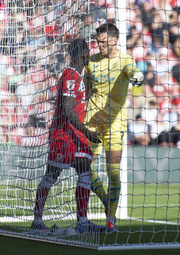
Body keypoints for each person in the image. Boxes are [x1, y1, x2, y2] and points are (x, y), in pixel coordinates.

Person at [31, 38, 104, 235]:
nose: (89, 54)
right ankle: (37, 220)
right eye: (88, 52)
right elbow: (68, 109)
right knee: (51, 176)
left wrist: (89, 92)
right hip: (64, 136)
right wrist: (89, 132)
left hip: (76, 136)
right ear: (82, 55)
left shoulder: (77, 76)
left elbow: (76, 101)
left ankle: (82, 221)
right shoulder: (71, 75)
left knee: (85, 171)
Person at [85, 23, 143, 232]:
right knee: (83, 167)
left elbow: (133, 71)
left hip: (115, 123)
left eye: (102, 41)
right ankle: (107, 202)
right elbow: (87, 91)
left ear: (114, 40)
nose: (99, 45)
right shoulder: (91, 62)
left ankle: (110, 219)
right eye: (97, 42)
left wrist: (138, 77)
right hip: (91, 122)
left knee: (114, 172)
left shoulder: (125, 60)